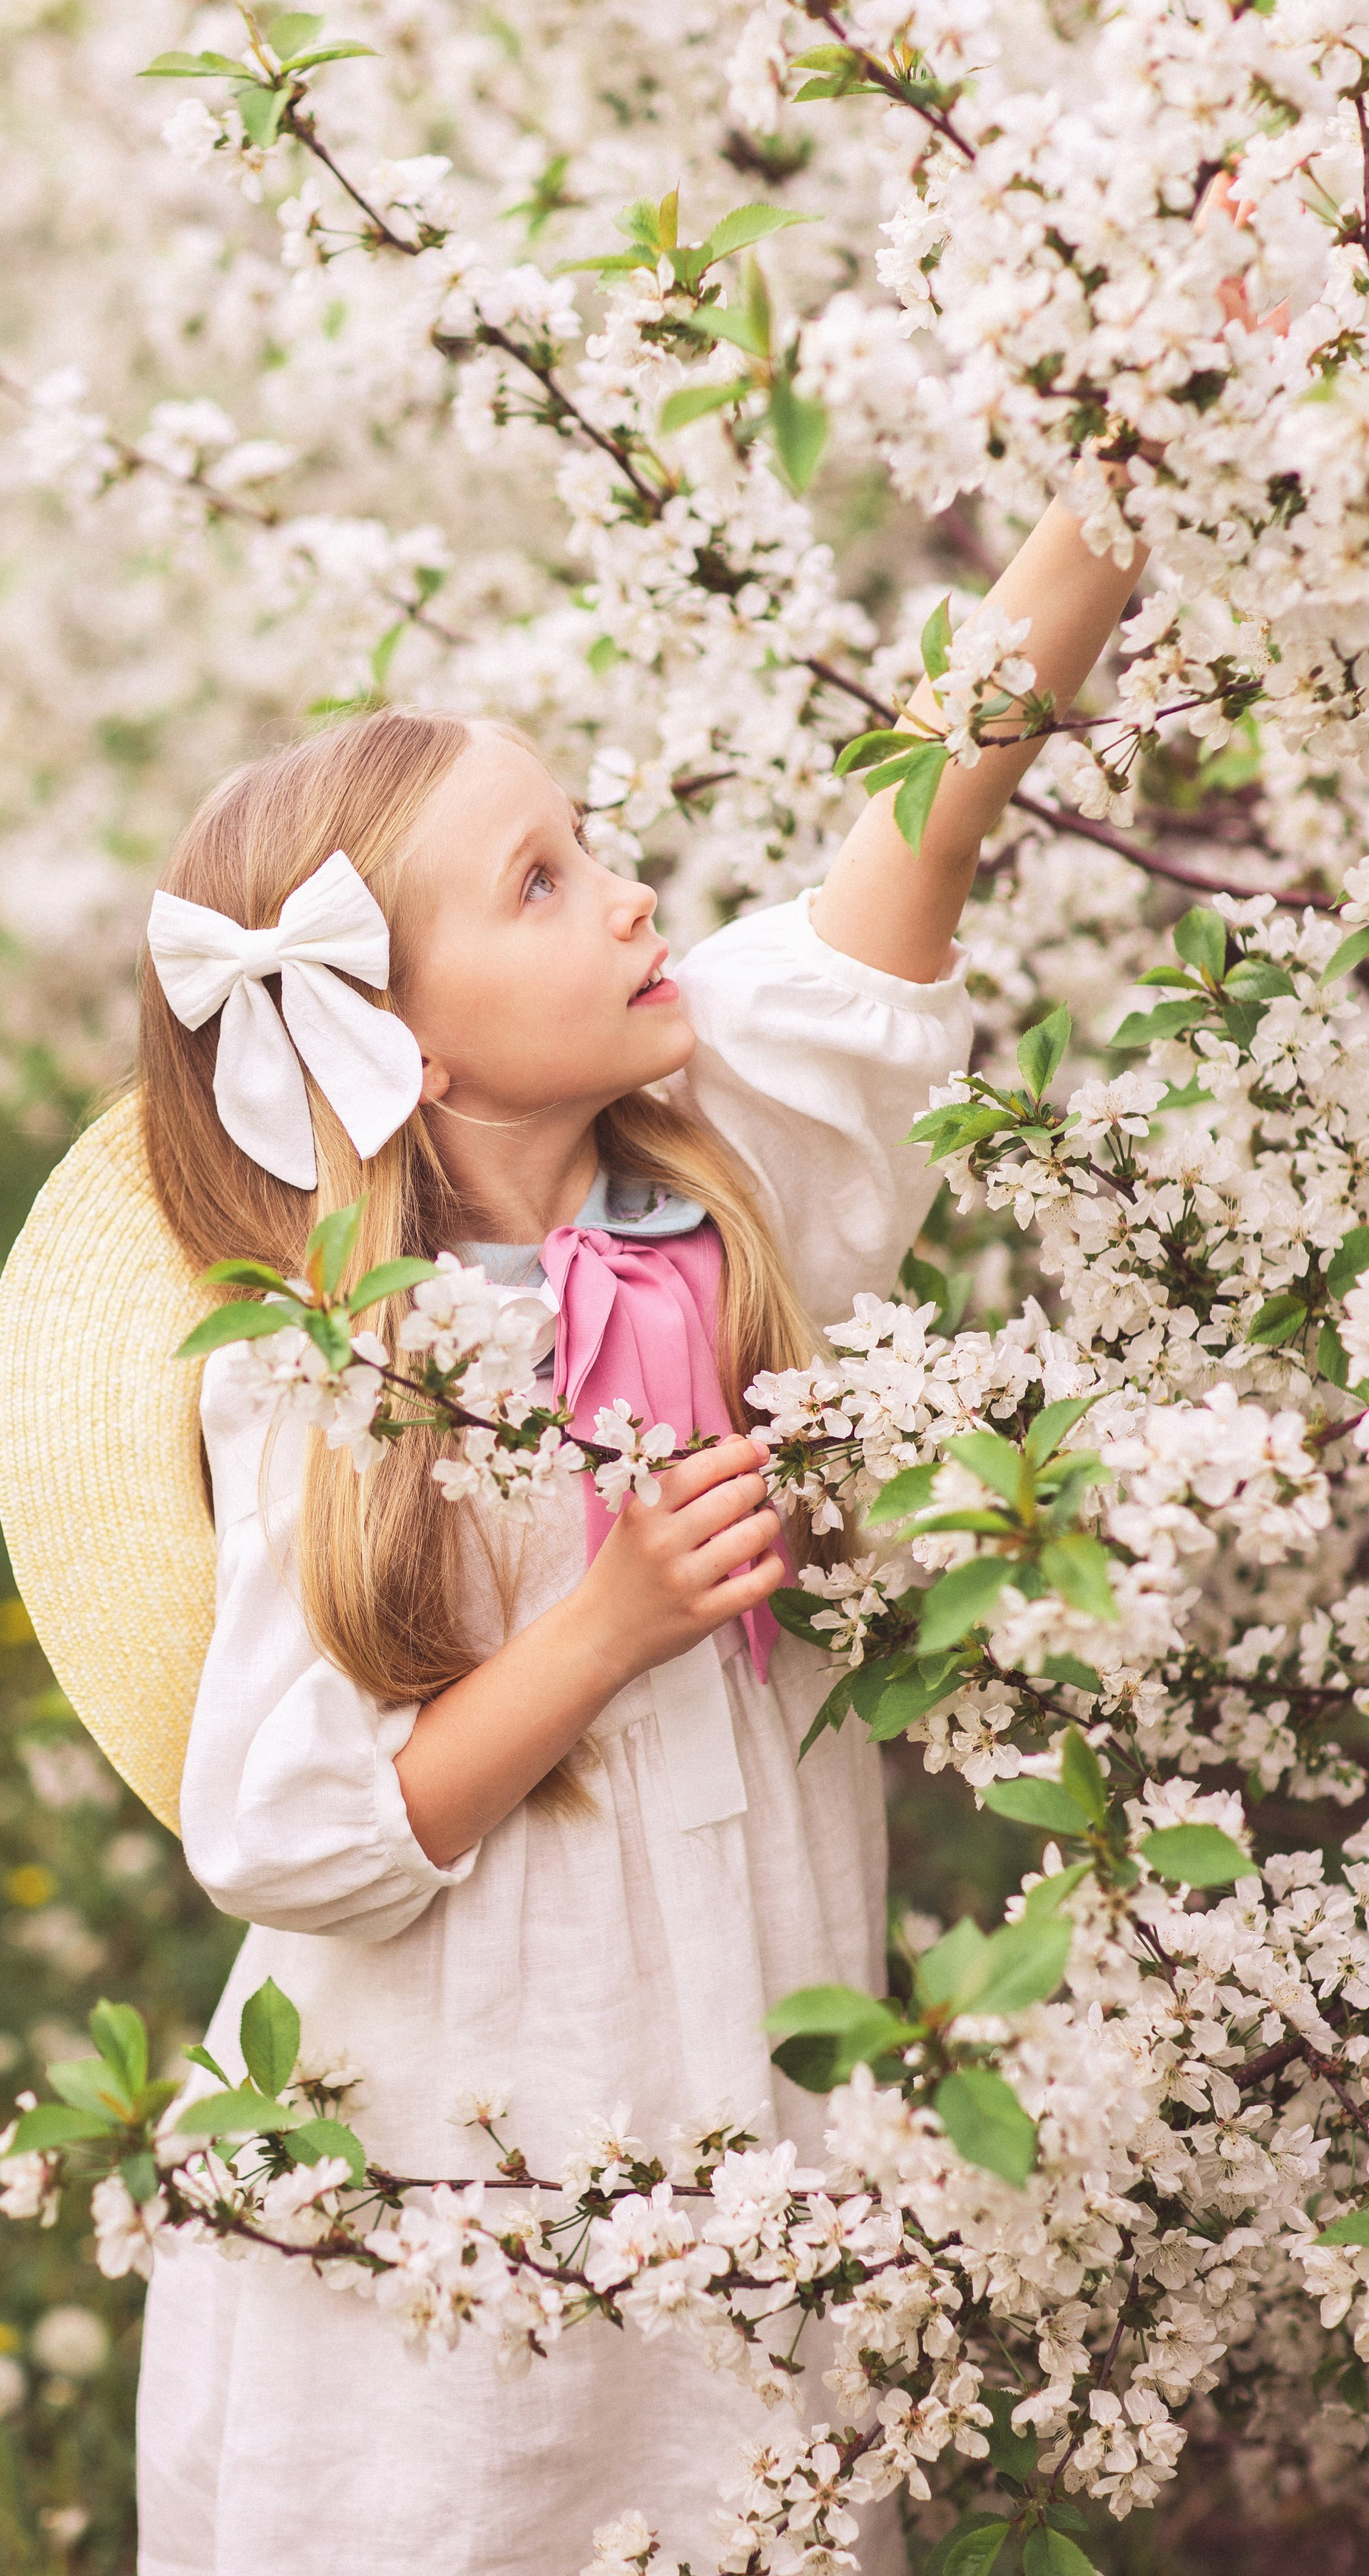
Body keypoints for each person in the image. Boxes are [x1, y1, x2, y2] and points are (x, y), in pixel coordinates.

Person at [130, 496, 1145, 2575]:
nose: (627, 895)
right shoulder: (336, 1375)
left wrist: (1105, 512)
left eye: (590, 844)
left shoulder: (726, 1155)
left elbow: (921, 833)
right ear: (403, 1046)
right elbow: (283, 1837)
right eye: (543, 880)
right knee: (468, 2506)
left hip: (746, 2063)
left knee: (737, 2480)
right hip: (457, 2146)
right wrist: (601, 1629)